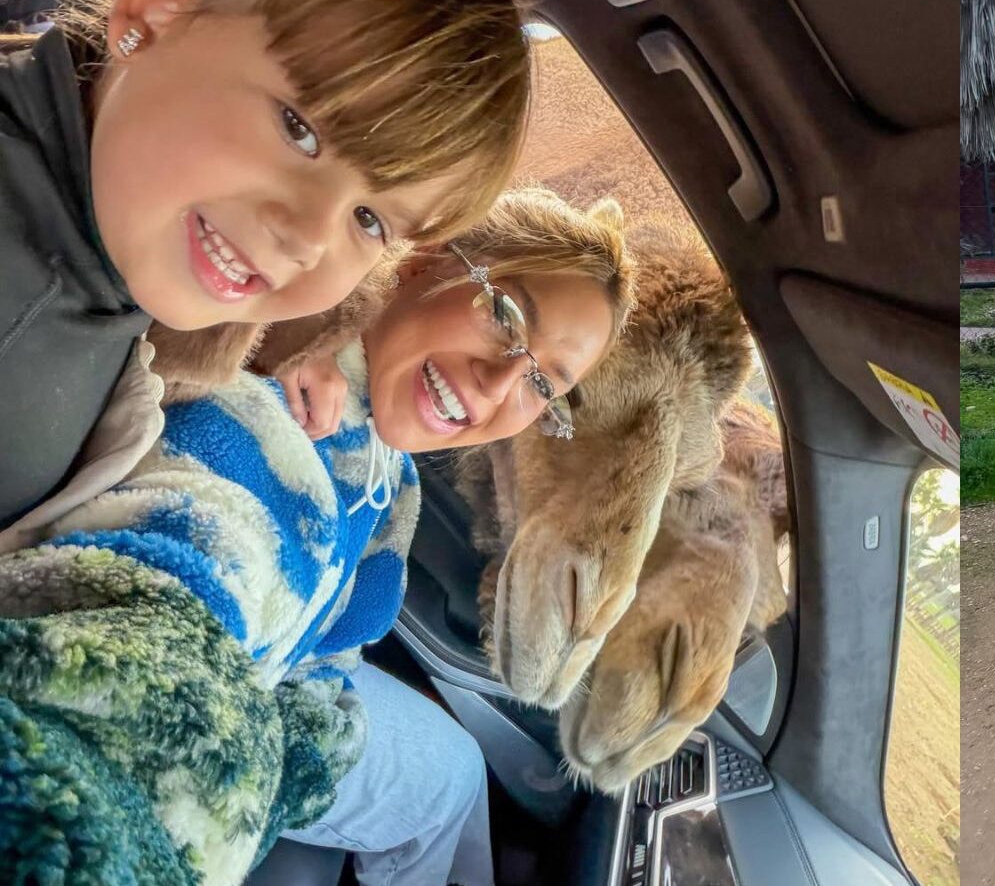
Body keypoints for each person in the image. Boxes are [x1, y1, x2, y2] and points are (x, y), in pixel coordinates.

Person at [0, 188, 635, 886]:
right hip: (211, 686)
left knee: (455, 775)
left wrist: (304, 741)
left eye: (544, 384)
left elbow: (342, 636)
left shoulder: (394, 480)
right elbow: (189, 567)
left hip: (280, 688)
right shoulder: (263, 417)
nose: (497, 384)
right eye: (505, 314)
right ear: (426, 260)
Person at [0, 0, 532, 534]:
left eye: (369, 220)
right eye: (299, 129)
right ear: (157, 8)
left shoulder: (93, 251)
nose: (309, 235)